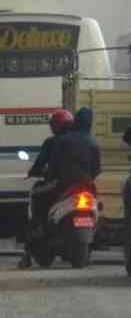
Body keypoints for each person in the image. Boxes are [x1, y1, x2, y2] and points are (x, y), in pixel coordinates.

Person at [19, 109, 74, 269]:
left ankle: (31, 241)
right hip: (80, 184)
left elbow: (39, 164)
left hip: (57, 184)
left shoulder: (52, 142)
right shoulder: (83, 139)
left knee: (36, 200)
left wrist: (33, 172)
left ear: (56, 126)